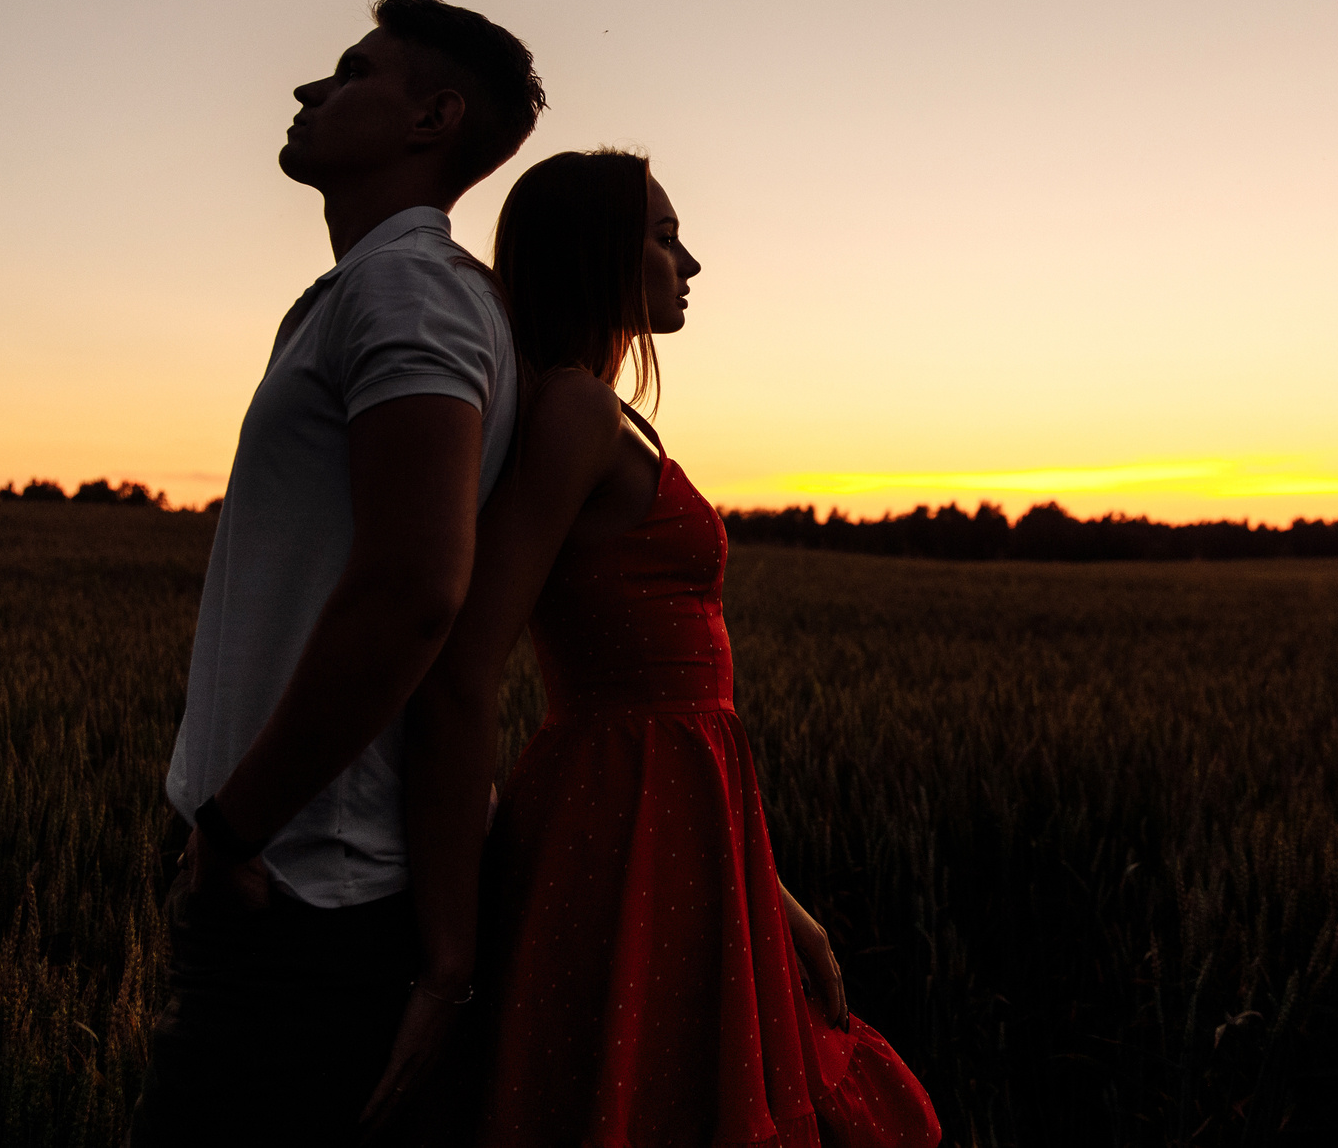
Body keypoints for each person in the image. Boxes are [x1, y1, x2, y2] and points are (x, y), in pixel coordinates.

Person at [364, 149, 940, 1148]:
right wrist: (448, 954)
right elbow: (464, 663)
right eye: (664, 237)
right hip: (620, 813)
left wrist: (773, 897)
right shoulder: (577, 413)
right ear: (597, 254)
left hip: (687, 813)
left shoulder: (604, 413)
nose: (691, 263)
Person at [129, 0, 544, 1148]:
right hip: (301, 877)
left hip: (305, 892)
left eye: (351, 71)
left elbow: (415, 587)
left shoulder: (406, 292)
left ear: (433, 118)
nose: (310, 91)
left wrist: (236, 831)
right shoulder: (373, 293)